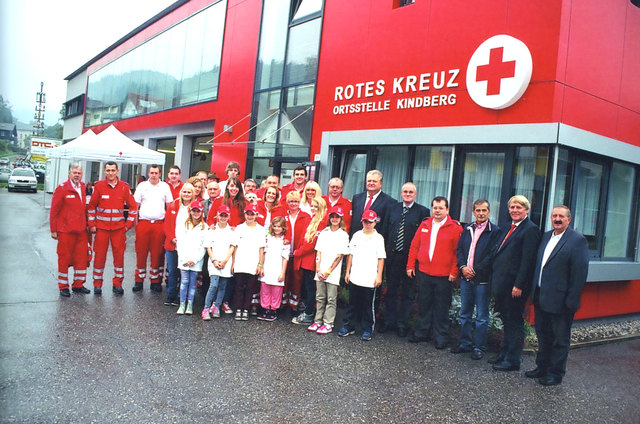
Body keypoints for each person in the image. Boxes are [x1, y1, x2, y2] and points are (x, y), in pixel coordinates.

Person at [475, 195, 540, 371]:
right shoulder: (507, 228)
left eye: (519, 207)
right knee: (506, 320)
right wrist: (477, 268)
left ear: (527, 210)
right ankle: (504, 353)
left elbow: (528, 261)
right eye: (512, 207)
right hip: (502, 285)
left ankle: (513, 360)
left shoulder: (530, 230)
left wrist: (519, 285)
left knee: (514, 322)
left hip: (515, 287)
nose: (515, 210)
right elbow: (495, 252)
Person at [526, 205, 589, 386]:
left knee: (560, 339)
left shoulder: (577, 240)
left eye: (561, 216)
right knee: (543, 335)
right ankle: (542, 368)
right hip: (541, 296)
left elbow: (579, 273)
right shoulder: (546, 236)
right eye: (554, 216)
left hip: (561, 301)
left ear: (569, 219)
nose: (557, 219)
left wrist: (572, 300)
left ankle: (555, 374)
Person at [406, 196, 462, 349]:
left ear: (447, 210)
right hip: (424, 272)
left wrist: (454, 272)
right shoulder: (425, 224)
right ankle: (421, 333)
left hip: (444, 276)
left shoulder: (455, 227)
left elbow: (458, 252)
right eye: (435, 208)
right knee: (424, 304)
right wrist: (410, 265)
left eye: (440, 208)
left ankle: (440, 337)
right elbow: (414, 246)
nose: (437, 211)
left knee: (441, 308)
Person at [452, 199, 501, 359]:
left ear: (489, 212)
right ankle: (464, 344)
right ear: (473, 212)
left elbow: (492, 255)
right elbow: (459, 249)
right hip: (466, 278)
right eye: (478, 210)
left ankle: (478, 347)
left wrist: (475, 270)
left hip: (482, 280)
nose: (481, 213)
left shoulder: (494, 231)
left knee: (481, 316)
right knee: (465, 313)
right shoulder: (467, 228)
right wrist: (462, 267)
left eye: (484, 210)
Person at [379, 182, 430, 337]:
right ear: (401, 193)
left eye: (411, 192)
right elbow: (384, 232)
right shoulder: (392, 209)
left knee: (408, 293)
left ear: (416, 194)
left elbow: (423, 239)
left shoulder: (423, 211)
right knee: (391, 291)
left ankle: (402, 324)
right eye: (405, 192)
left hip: (410, 261)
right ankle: (389, 322)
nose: (408, 194)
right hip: (392, 257)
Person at [87, 161, 137, 295]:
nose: (110, 173)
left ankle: (118, 283)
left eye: (112, 170)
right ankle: (97, 284)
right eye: (108, 170)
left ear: (117, 171)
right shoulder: (98, 186)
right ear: (104, 171)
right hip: (101, 229)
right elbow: (91, 207)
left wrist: (128, 225)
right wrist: (92, 224)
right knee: (99, 257)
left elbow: (133, 207)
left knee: (119, 257)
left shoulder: (124, 187)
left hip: (118, 230)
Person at [338, 210, 386, 341]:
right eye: (365, 221)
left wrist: (379, 276)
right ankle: (349, 326)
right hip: (355, 276)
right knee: (353, 303)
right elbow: (351, 254)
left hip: (370, 278)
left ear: (375, 222)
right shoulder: (357, 235)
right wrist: (347, 271)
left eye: (370, 222)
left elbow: (381, 258)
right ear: (362, 222)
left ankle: (367, 329)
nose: (368, 224)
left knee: (368, 306)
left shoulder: (378, 238)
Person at [49, 163, 90, 297]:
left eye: (79, 173)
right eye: (74, 173)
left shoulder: (83, 187)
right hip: (65, 231)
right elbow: (54, 210)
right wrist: (53, 229)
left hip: (81, 231)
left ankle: (78, 284)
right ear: (69, 173)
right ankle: (63, 286)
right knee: (64, 258)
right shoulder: (62, 188)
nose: (77, 175)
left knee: (81, 259)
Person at [307, 206, 349, 335]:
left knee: (331, 298)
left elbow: (339, 255)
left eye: (337, 217)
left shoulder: (343, 235)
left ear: (341, 219)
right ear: (329, 218)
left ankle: (328, 323)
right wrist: (319, 269)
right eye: (333, 217)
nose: (334, 219)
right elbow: (318, 251)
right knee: (320, 297)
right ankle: (317, 320)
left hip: (332, 273)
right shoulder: (324, 232)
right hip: (320, 271)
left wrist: (328, 271)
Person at [132, 164, 173, 293]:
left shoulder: (165, 187)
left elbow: (169, 206)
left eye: (156, 173)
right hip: (144, 223)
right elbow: (135, 206)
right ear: (148, 173)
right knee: (141, 252)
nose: (154, 175)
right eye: (151, 173)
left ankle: (155, 281)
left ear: (160, 174)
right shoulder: (142, 186)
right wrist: (135, 224)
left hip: (159, 224)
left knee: (157, 253)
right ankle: (139, 281)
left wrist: (168, 225)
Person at [291, 197, 327, 325]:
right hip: (306, 261)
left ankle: (309, 314)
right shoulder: (313, 220)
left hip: (311, 261)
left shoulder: (321, 222)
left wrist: (297, 252)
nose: (313, 208)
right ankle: (308, 311)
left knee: (311, 289)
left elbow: (311, 245)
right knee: (308, 288)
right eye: (312, 206)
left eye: (316, 206)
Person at [231, 203, 266, 321]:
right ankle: (238, 309)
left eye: (252, 214)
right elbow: (235, 247)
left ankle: (246, 309)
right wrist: (233, 263)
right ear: (244, 214)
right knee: (239, 287)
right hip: (240, 262)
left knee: (250, 287)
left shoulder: (261, 230)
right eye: (248, 214)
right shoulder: (239, 228)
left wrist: (260, 264)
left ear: (256, 215)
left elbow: (261, 249)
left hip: (253, 262)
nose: (250, 216)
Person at [202, 205, 236, 320]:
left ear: (228, 217)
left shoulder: (231, 231)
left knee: (222, 286)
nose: (223, 218)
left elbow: (232, 246)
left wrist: (226, 260)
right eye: (221, 215)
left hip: (226, 262)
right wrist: (214, 260)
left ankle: (216, 306)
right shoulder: (212, 231)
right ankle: (206, 308)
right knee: (214, 285)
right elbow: (208, 247)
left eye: (225, 215)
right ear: (217, 216)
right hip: (214, 263)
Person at [163, 183, 196, 306]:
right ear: (181, 193)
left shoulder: (195, 207)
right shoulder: (173, 205)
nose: (186, 194)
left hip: (187, 245)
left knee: (184, 271)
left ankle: (181, 296)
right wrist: (172, 238)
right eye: (184, 192)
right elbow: (166, 224)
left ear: (193, 194)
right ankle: (171, 295)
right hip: (172, 244)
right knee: (172, 271)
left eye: (189, 192)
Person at [175, 200, 207, 315]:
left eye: (198, 211)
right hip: (183, 259)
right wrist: (183, 258)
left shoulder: (205, 228)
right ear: (190, 211)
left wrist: (195, 260)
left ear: (201, 212)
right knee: (184, 282)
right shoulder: (183, 225)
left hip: (195, 261)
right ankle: (182, 304)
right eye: (194, 210)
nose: (196, 213)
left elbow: (203, 247)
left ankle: (190, 304)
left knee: (193, 283)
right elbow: (179, 243)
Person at [283, 191, 311, 314]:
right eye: (290, 201)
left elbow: (307, 236)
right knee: (284, 277)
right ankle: (282, 304)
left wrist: (300, 251)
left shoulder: (306, 216)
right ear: (287, 202)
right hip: (284, 253)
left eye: (295, 201)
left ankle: (294, 305)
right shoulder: (283, 216)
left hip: (299, 252)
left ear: (299, 202)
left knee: (297, 279)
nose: (293, 204)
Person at [258, 216, 289, 322]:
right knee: (265, 289)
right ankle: (265, 308)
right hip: (267, 266)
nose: (276, 229)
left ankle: (273, 309)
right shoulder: (268, 238)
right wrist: (261, 266)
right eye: (275, 226)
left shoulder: (285, 241)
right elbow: (264, 253)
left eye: (279, 227)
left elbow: (285, 258)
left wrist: (283, 273)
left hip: (278, 268)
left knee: (276, 290)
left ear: (283, 228)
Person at [350, 169, 395, 237]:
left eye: (374, 181)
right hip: (356, 240)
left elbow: (386, 227)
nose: (371, 183)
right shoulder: (357, 198)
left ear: (381, 184)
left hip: (375, 242)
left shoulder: (389, 202)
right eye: (369, 181)